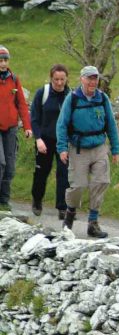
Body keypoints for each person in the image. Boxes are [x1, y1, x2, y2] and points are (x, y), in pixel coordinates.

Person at [56, 65, 119, 238]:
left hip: (99, 146)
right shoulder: (73, 99)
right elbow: (61, 125)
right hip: (78, 149)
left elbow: (111, 125)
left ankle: (93, 223)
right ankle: (70, 214)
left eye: (95, 78)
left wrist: (116, 149)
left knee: (101, 181)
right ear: (81, 79)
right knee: (78, 186)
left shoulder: (102, 98)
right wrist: (62, 148)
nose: (93, 82)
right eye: (89, 78)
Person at [29, 63, 70, 219]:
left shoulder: (70, 96)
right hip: (44, 140)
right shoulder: (43, 93)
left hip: (63, 142)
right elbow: (34, 118)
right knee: (41, 173)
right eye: (56, 79)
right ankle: (37, 199)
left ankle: (62, 208)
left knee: (64, 174)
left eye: (62, 79)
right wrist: (38, 139)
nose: (59, 83)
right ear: (51, 78)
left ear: (67, 79)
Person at [0, 45, 32, 211]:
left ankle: (4, 202)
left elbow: (21, 103)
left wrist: (27, 126)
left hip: (11, 128)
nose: (3, 63)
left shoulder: (14, 79)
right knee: (1, 163)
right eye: (0, 60)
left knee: (10, 166)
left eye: (5, 60)